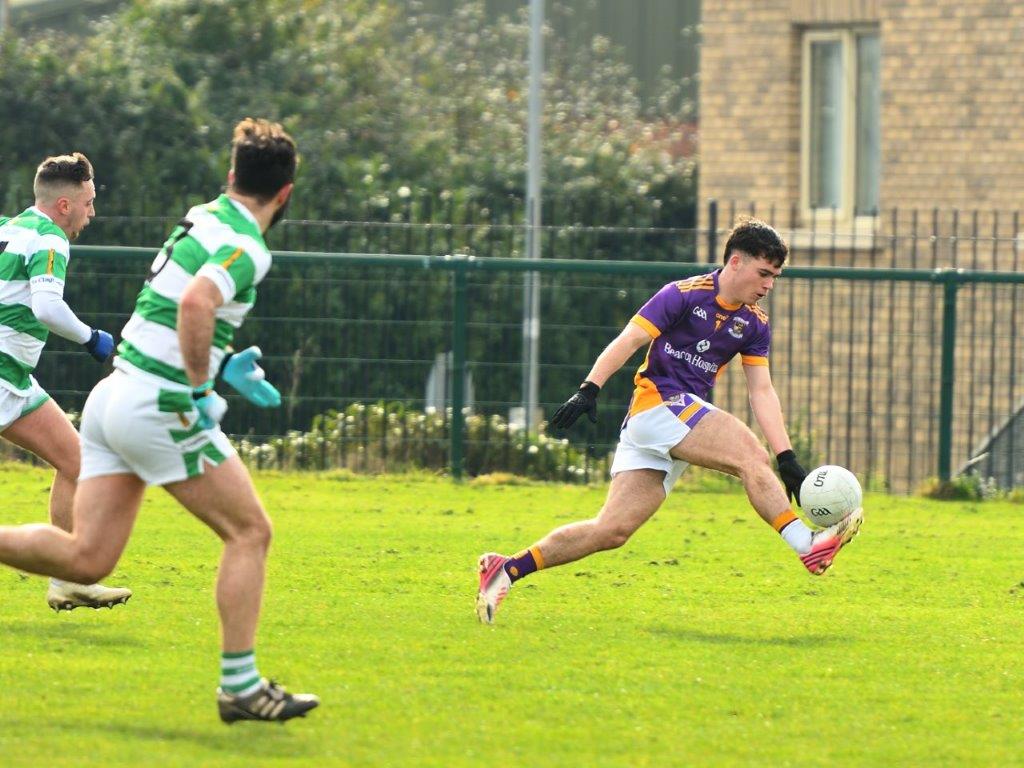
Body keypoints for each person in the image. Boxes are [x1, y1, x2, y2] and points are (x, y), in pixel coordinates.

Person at [0, 119, 319, 723]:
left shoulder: (204, 215)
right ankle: (241, 687)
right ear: (285, 195)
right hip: (157, 404)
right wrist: (201, 389)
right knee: (251, 533)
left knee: (87, 559)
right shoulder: (249, 246)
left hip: (113, 395)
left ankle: (240, 686)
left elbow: (171, 308)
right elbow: (198, 303)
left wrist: (222, 363)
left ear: (231, 177)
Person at [476, 218, 863, 624]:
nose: (768, 285)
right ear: (735, 262)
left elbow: (761, 391)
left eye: (775, 277)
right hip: (656, 405)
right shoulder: (682, 295)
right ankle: (807, 546)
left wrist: (788, 459)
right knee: (750, 454)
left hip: (672, 421)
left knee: (611, 531)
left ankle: (505, 569)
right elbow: (629, 339)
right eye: (763, 273)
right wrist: (589, 388)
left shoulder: (754, 323)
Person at [0, 153, 131, 611]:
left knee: (78, 461)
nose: (91, 213)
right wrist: (91, 337)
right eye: (89, 203)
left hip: (12, 381)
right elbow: (47, 309)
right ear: (63, 205)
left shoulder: (8, 227)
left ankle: (68, 577)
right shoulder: (51, 239)